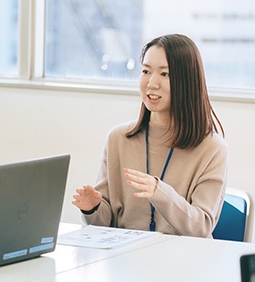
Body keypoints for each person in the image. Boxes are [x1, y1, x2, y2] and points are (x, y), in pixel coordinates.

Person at [72, 33, 227, 237]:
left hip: (183, 262)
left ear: (188, 82)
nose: (152, 83)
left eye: (165, 74)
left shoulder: (211, 148)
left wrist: (159, 192)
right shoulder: (118, 139)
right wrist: (92, 208)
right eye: (146, 71)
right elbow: (106, 222)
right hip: (125, 260)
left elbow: (201, 227)